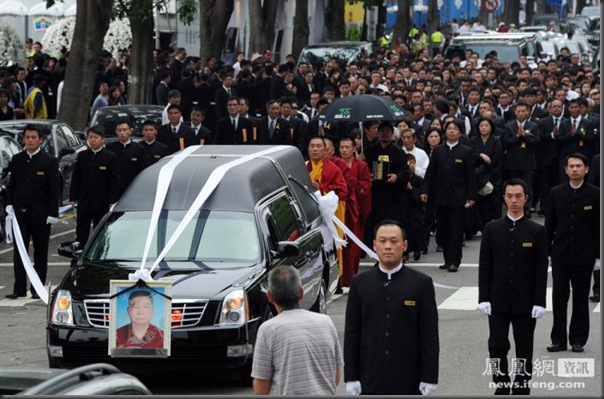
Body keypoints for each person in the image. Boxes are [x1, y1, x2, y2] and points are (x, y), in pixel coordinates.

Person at [344, 220, 439, 395]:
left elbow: (429, 335)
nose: (388, 246)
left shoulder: (421, 283)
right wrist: (351, 376)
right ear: (374, 245)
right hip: (370, 376)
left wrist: (430, 376)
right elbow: (352, 333)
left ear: (404, 245)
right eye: (382, 241)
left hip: (409, 377)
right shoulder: (360, 283)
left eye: (394, 241)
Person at [478, 178, 548, 395]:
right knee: (497, 344)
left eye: (518, 196)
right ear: (504, 198)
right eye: (510, 196)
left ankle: (521, 386)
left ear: (526, 198)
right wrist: (484, 297)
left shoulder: (536, 231)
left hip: (525, 302)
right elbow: (485, 266)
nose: (514, 200)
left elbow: (540, 270)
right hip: (497, 299)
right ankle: (501, 383)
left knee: (524, 348)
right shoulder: (492, 228)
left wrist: (539, 301)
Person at [251, 265, 343, 395]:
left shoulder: (268, 329)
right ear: (301, 293)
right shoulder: (326, 322)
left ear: (270, 296)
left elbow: (261, 387)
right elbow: (336, 376)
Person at [546, 153, 600, 353]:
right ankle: (558, 340)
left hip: (584, 256)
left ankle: (578, 339)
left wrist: (598, 257)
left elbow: (598, 227)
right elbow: (549, 225)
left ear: (586, 169)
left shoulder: (595, 194)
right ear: (566, 169)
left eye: (579, 166)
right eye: (571, 166)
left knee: (580, 298)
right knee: (559, 298)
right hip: (560, 254)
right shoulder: (556, 192)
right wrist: (547, 252)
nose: (575, 169)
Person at [5, 124, 61, 299]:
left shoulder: (49, 161)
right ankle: (19, 288)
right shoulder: (17, 159)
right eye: (27, 137)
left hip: (41, 215)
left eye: (33, 137)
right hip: (20, 214)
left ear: (40, 140)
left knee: (40, 252)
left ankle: (37, 288)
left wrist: (53, 213)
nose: (29, 140)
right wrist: (9, 204)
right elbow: (12, 185)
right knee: (20, 251)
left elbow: (54, 189)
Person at [421, 119, 477, 272]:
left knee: (456, 230)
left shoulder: (466, 151)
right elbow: (430, 174)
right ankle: (447, 259)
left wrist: (471, 195)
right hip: (440, 197)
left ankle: (455, 260)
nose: (451, 131)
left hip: (458, 197)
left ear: (460, 132)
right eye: (449, 128)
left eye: (455, 129)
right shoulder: (438, 151)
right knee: (443, 229)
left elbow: (471, 176)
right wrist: (425, 190)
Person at [69, 125, 120, 246]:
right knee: (81, 232)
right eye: (90, 137)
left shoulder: (110, 157)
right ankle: (78, 258)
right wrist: (73, 197)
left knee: (100, 231)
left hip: (102, 201)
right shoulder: (82, 156)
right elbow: (76, 177)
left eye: (95, 137)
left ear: (102, 139)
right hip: (84, 201)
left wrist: (113, 200)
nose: (92, 140)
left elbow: (115, 180)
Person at [338, 137, 372, 288]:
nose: (344, 150)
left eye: (347, 147)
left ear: (354, 149)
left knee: (354, 246)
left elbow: (366, 185)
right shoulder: (336, 164)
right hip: (340, 208)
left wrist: (353, 183)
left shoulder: (361, 165)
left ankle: (352, 277)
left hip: (355, 209)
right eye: (342, 147)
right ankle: (340, 278)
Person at [105, 119, 147, 196]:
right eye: (119, 130)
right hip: (113, 188)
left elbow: (142, 169)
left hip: (132, 187)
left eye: (124, 130)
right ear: (116, 132)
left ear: (130, 131)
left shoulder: (139, 148)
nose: (122, 133)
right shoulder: (110, 147)